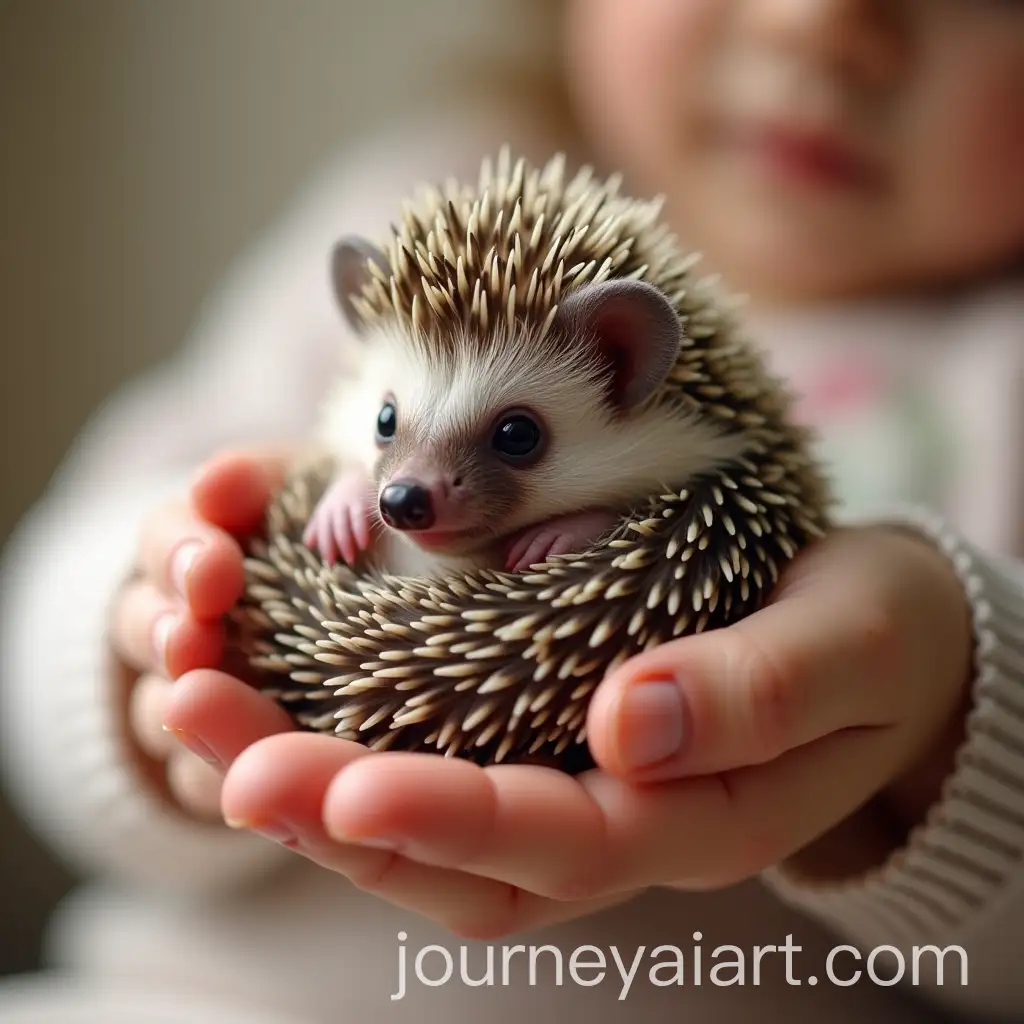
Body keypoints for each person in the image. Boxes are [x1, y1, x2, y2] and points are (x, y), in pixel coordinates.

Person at [2, 1, 1023, 1020]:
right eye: (392, 427)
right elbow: (84, 571)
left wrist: (946, 722)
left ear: (625, 365)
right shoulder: (410, 187)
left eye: (516, 437)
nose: (821, 18)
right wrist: (150, 655)